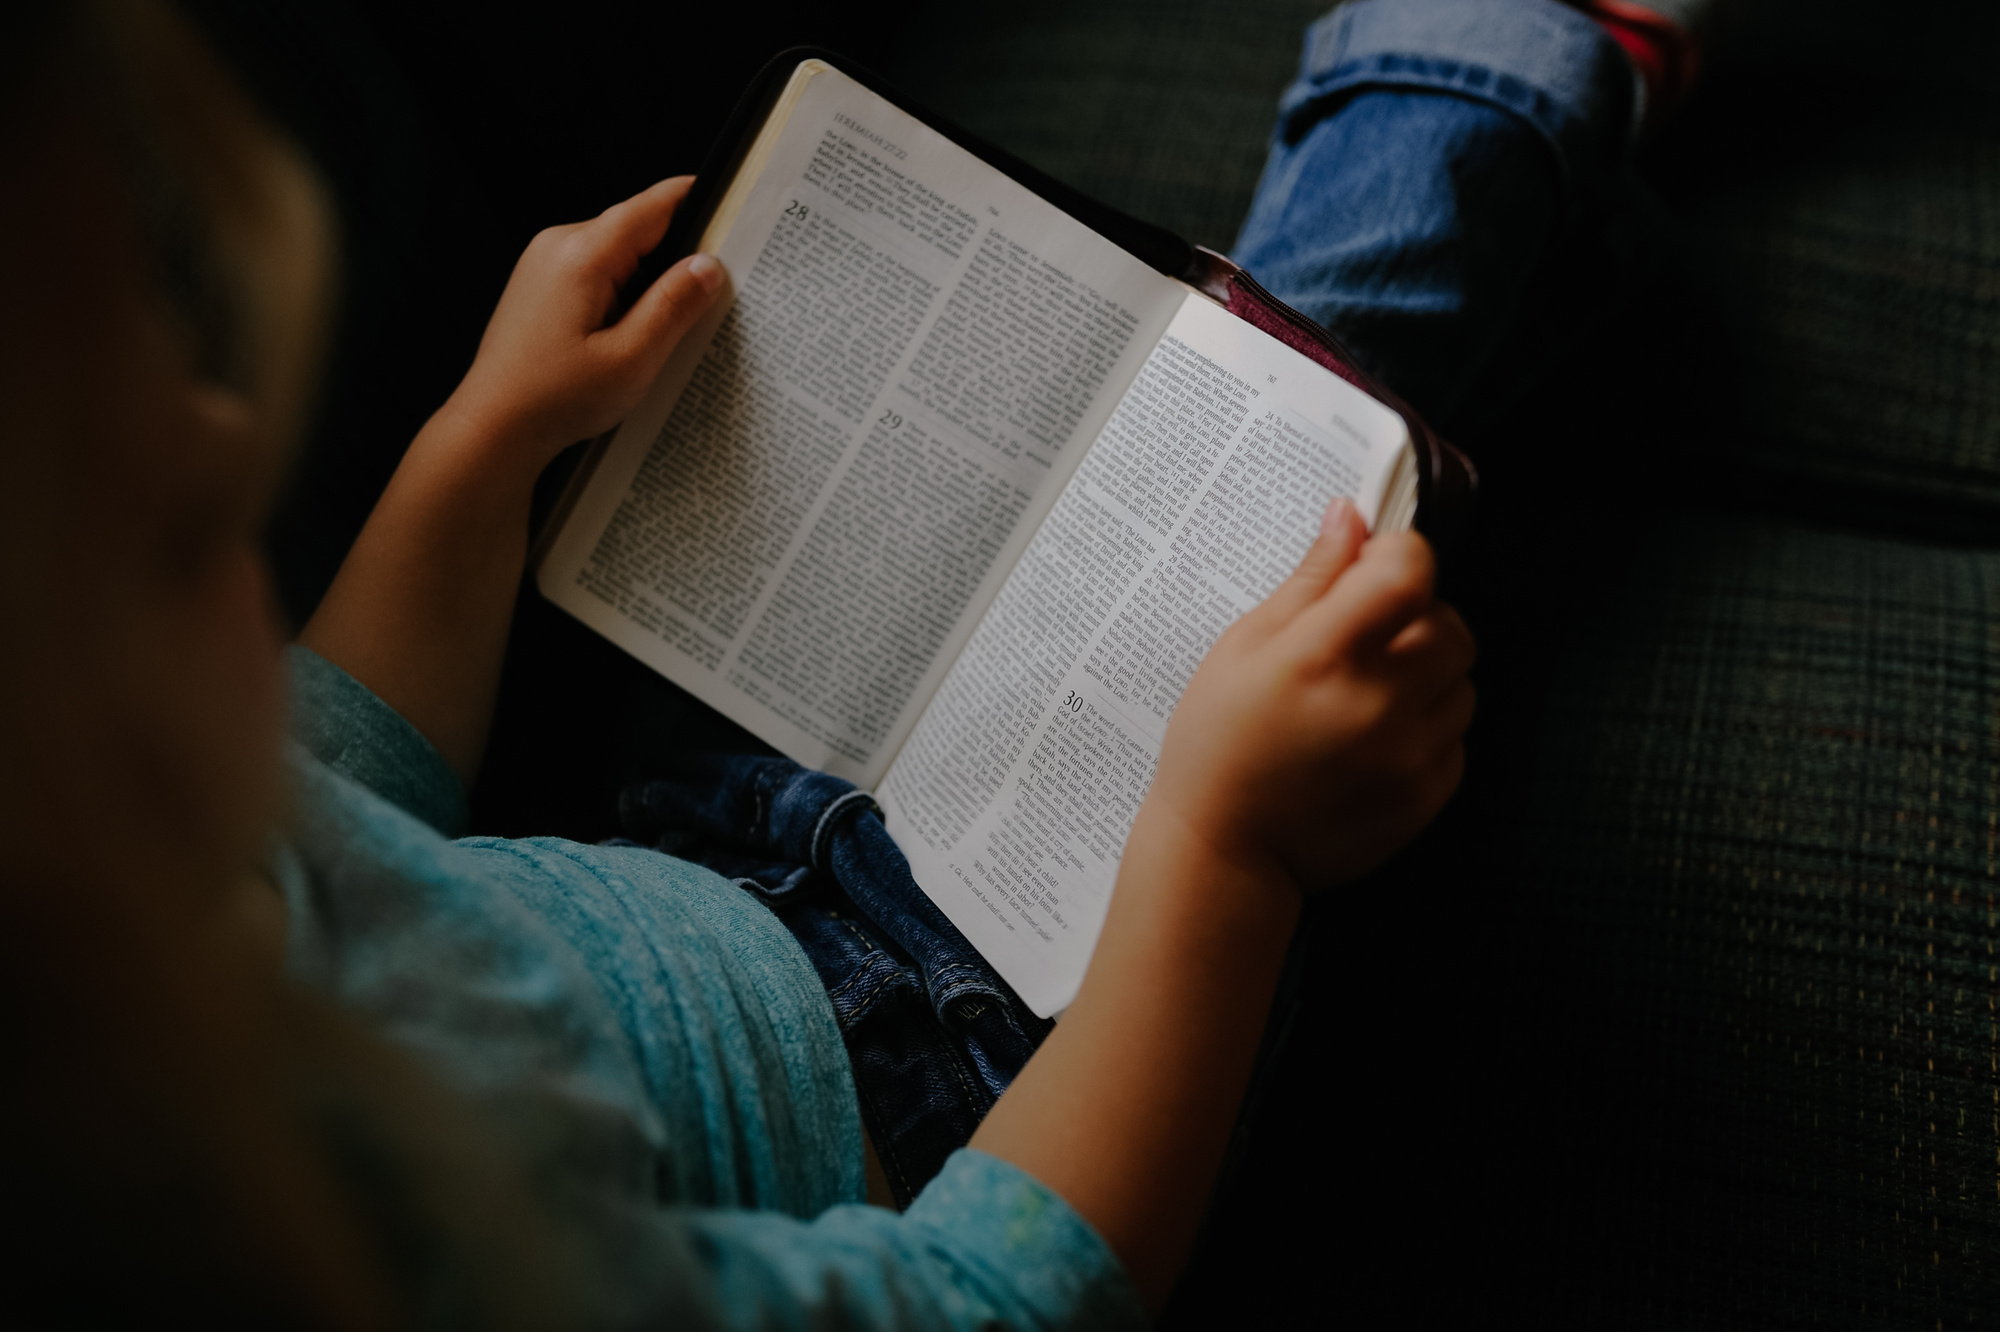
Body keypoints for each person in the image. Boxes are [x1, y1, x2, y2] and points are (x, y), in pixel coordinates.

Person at [0, 0, 1686, 1323]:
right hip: (963, 1069)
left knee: (1247, 428)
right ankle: (1511, 48)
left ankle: (1562, 191)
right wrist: (1224, 853)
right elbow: (987, 1297)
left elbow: (348, 768)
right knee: (1323, 407)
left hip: (680, 841)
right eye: (190, 526)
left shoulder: (135, 876)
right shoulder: (367, 1261)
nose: (245, 484)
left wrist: (483, 453)